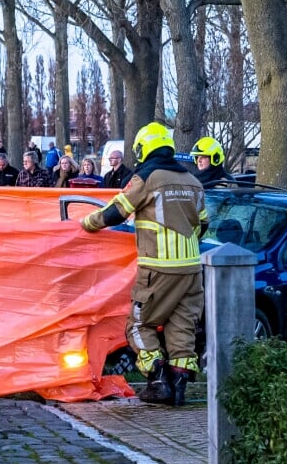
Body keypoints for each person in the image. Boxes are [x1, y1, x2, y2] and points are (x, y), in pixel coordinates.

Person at [80, 122, 208, 406]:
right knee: (181, 327)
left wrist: (86, 223)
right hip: (191, 270)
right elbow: (204, 223)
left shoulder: (147, 178)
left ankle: (158, 376)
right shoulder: (192, 181)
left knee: (139, 324)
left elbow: (116, 212)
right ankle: (178, 386)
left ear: (145, 148)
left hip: (158, 268)